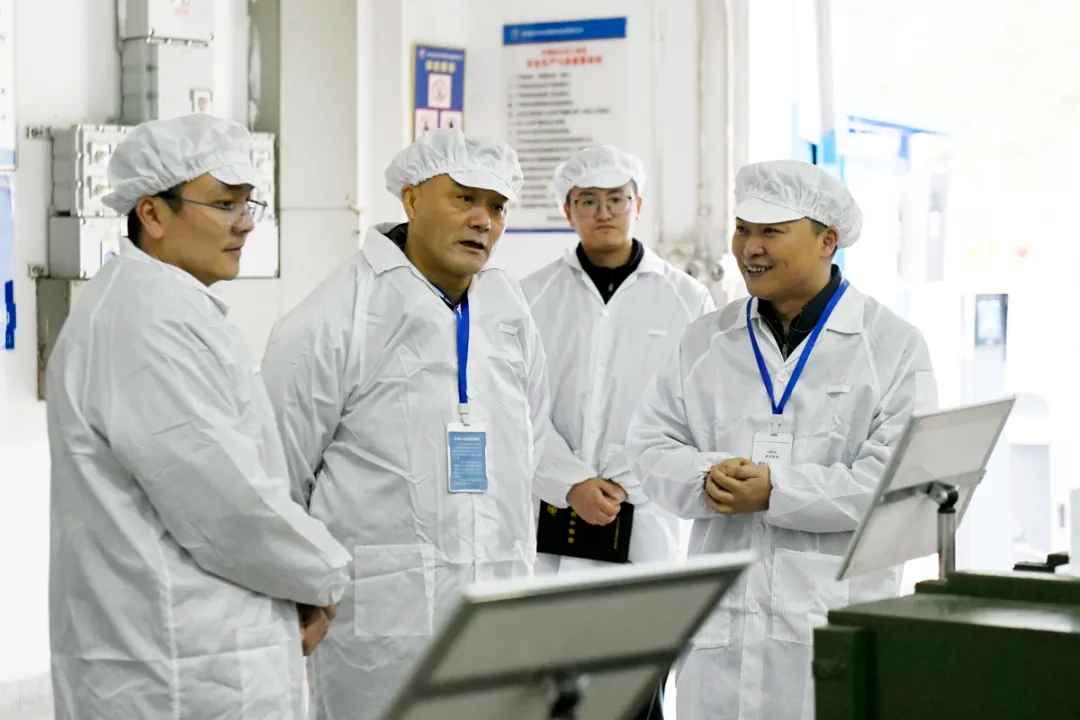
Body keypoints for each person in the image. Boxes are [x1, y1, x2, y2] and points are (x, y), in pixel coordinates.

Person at [45, 114, 351, 720]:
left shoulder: (164, 306)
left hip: (196, 653)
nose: (245, 223)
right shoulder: (145, 322)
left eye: (247, 204)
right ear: (152, 214)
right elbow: (227, 503)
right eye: (223, 204)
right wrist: (325, 576)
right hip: (176, 667)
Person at [625, 159, 939, 720]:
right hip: (720, 637)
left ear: (827, 240)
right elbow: (650, 444)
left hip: (832, 625)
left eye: (771, 231)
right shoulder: (707, 340)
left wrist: (776, 491)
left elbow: (897, 484)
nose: (750, 248)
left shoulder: (890, 345)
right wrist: (707, 477)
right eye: (742, 228)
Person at [260, 128, 550, 720]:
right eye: (464, 198)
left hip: (496, 606)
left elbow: (531, 437)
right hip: (380, 628)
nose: (483, 220)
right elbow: (276, 477)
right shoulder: (334, 317)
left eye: (497, 207)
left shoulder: (507, 310)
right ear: (412, 199)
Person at [523, 145, 715, 716]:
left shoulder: (686, 299)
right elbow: (517, 409)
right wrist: (570, 481)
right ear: (568, 211)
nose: (603, 212)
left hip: (646, 515)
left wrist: (627, 479)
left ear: (639, 205)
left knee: (637, 680)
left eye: (617, 199)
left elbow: (696, 410)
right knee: (553, 681)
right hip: (554, 516)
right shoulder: (530, 296)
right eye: (588, 201)